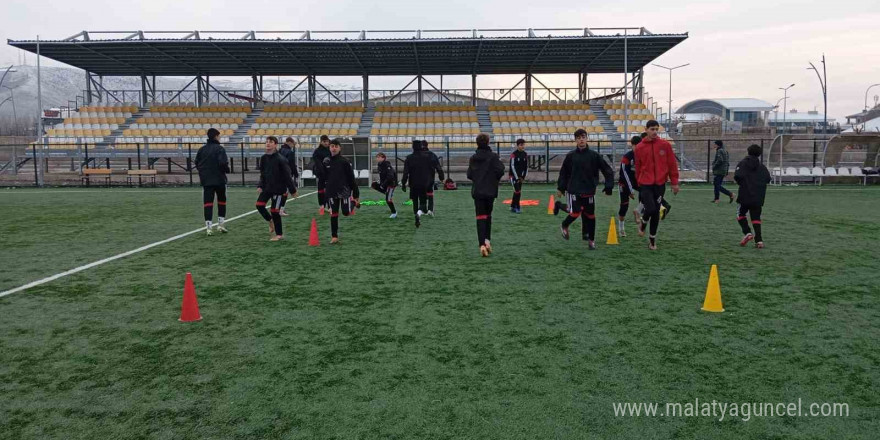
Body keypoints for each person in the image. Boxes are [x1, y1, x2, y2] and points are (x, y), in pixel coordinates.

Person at [555, 128, 614, 250]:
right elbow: (563, 173)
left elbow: (607, 170)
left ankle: (591, 241)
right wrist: (561, 188)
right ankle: (564, 225)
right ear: (575, 140)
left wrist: (609, 185)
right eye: (578, 138)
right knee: (575, 212)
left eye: (583, 137)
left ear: (587, 138)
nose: (581, 139)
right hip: (573, 190)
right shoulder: (571, 156)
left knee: (590, 216)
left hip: (589, 191)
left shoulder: (594, 156)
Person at [635, 120, 680, 250]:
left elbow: (672, 164)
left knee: (655, 213)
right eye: (652, 129)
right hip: (645, 184)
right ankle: (643, 223)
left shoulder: (665, 145)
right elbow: (638, 167)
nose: (654, 132)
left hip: (660, 184)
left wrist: (674, 182)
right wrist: (639, 181)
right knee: (651, 209)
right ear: (646, 129)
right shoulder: (639, 147)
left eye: (656, 129)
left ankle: (652, 240)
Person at [467, 133, 505, 257]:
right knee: (488, 216)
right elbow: (500, 170)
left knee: (480, 217)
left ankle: (482, 244)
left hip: (478, 191)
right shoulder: (493, 157)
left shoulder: (473, 158)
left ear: (477, 143)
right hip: (490, 191)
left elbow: (469, 174)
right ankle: (487, 241)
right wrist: (493, 179)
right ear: (488, 142)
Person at [256, 136, 298, 242]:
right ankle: (270, 221)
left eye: (271, 142)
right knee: (259, 205)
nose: (268, 143)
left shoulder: (281, 159)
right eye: (266, 142)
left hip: (279, 189)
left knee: (275, 211)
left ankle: (279, 235)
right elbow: (263, 174)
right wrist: (260, 185)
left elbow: (287, 176)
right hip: (267, 187)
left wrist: (292, 190)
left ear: (275, 145)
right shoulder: (263, 158)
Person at [734, 144, 771, 248]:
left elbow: (737, 176)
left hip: (745, 195)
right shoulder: (762, 167)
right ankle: (759, 241)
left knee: (740, 214)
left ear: (748, 151)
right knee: (756, 218)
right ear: (759, 154)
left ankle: (747, 233)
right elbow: (768, 179)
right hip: (758, 196)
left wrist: (743, 184)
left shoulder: (743, 163)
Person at [323, 138, 360, 244]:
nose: (333, 148)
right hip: (331, 191)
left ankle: (353, 202)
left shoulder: (345, 161)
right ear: (329, 148)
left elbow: (351, 178)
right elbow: (323, 177)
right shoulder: (326, 161)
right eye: (332, 146)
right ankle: (334, 237)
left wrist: (355, 193)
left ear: (340, 148)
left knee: (346, 212)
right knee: (333, 214)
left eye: (336, 146)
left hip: (344, 191)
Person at [195, 128, 230, 236]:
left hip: (206, 181)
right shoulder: (220, 149)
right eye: (219, 136)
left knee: (208, 203)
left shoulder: (202, 149)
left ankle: (209, 228)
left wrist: (203, 173)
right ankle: (221, 225)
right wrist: (227, 170)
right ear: (216, 136)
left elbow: (197, 163)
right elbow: (223, 163)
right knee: (222, 202)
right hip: (219, 180)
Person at [400, 140, 434, 228]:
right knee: (423, 202)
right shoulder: (426, 157)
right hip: (423, 183)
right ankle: (419, 213)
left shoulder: (409, 158)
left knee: (414, 200)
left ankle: (416, 213)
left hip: (413, 183)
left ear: (412, 147)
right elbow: (431, 170)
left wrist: (403, 184)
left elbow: (405, 173)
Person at [617, 135, 641, 237]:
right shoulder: (627, 157)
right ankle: (621, 227)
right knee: (624, 207)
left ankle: (638, 211)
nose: (639, 148)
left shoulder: (643, 156)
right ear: (633, 146)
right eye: (637, 146)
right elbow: (625, 174)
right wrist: (630, 190)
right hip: (624, 183)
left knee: (647, 193)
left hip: (636, 182)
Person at [421, 140, 445, 216]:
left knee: (422, 194)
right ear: (427, 145)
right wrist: (441, 177)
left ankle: (423, 209)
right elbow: (438, 167)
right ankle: (430, 210)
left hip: (419, 178)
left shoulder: (417, 155)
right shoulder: (432, 155)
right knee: (430, 193)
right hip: (430, 178)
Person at [371, 152, 398, 218]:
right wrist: (381, 183)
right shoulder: (379, 165)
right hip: (384, 183)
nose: (377, 158)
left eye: (379, 157)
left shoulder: (386, 164)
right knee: (374, 184)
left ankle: (394, 212)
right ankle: (387, 193)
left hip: (391, 183)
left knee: (388, 199)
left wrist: (383, 184)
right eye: (377, 157)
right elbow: (382, 176)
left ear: (383, 158)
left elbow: (390, 176)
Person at [311, 135, 332, 216]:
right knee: (321, 191)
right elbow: (318, 164)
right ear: (321, 142)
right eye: (324, 141)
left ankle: (330, 207)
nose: (326, 143)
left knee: (329, 191)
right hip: (321, 173)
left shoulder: (330, 150)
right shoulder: (317, 151)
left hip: (330, 174)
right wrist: (322, 172)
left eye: (327, 141)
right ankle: (322, 206)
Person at [278, 137, 300, 216]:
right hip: (286, 174)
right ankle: (281, 209)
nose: (293, 146)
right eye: (293, 144)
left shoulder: (279, 150)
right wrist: (296, 173)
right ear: (290, 142)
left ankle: (278, 208)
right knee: (285, 192)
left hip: (278, 174)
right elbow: (291, 164)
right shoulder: (290, 152)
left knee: (279, 192)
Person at [508, 138, 529, 213]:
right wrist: (516, 178)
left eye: (523, 145)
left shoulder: (525, 154)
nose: (523, 146)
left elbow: (526, 166)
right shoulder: (513, 154)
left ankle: (512, 206)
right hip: (513, 176)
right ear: (517, 146)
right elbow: (512, 167)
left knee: (517, 191)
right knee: (517, 191)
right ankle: (517, 207)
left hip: (520, 177)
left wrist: (523, 177)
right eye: (521, 145)